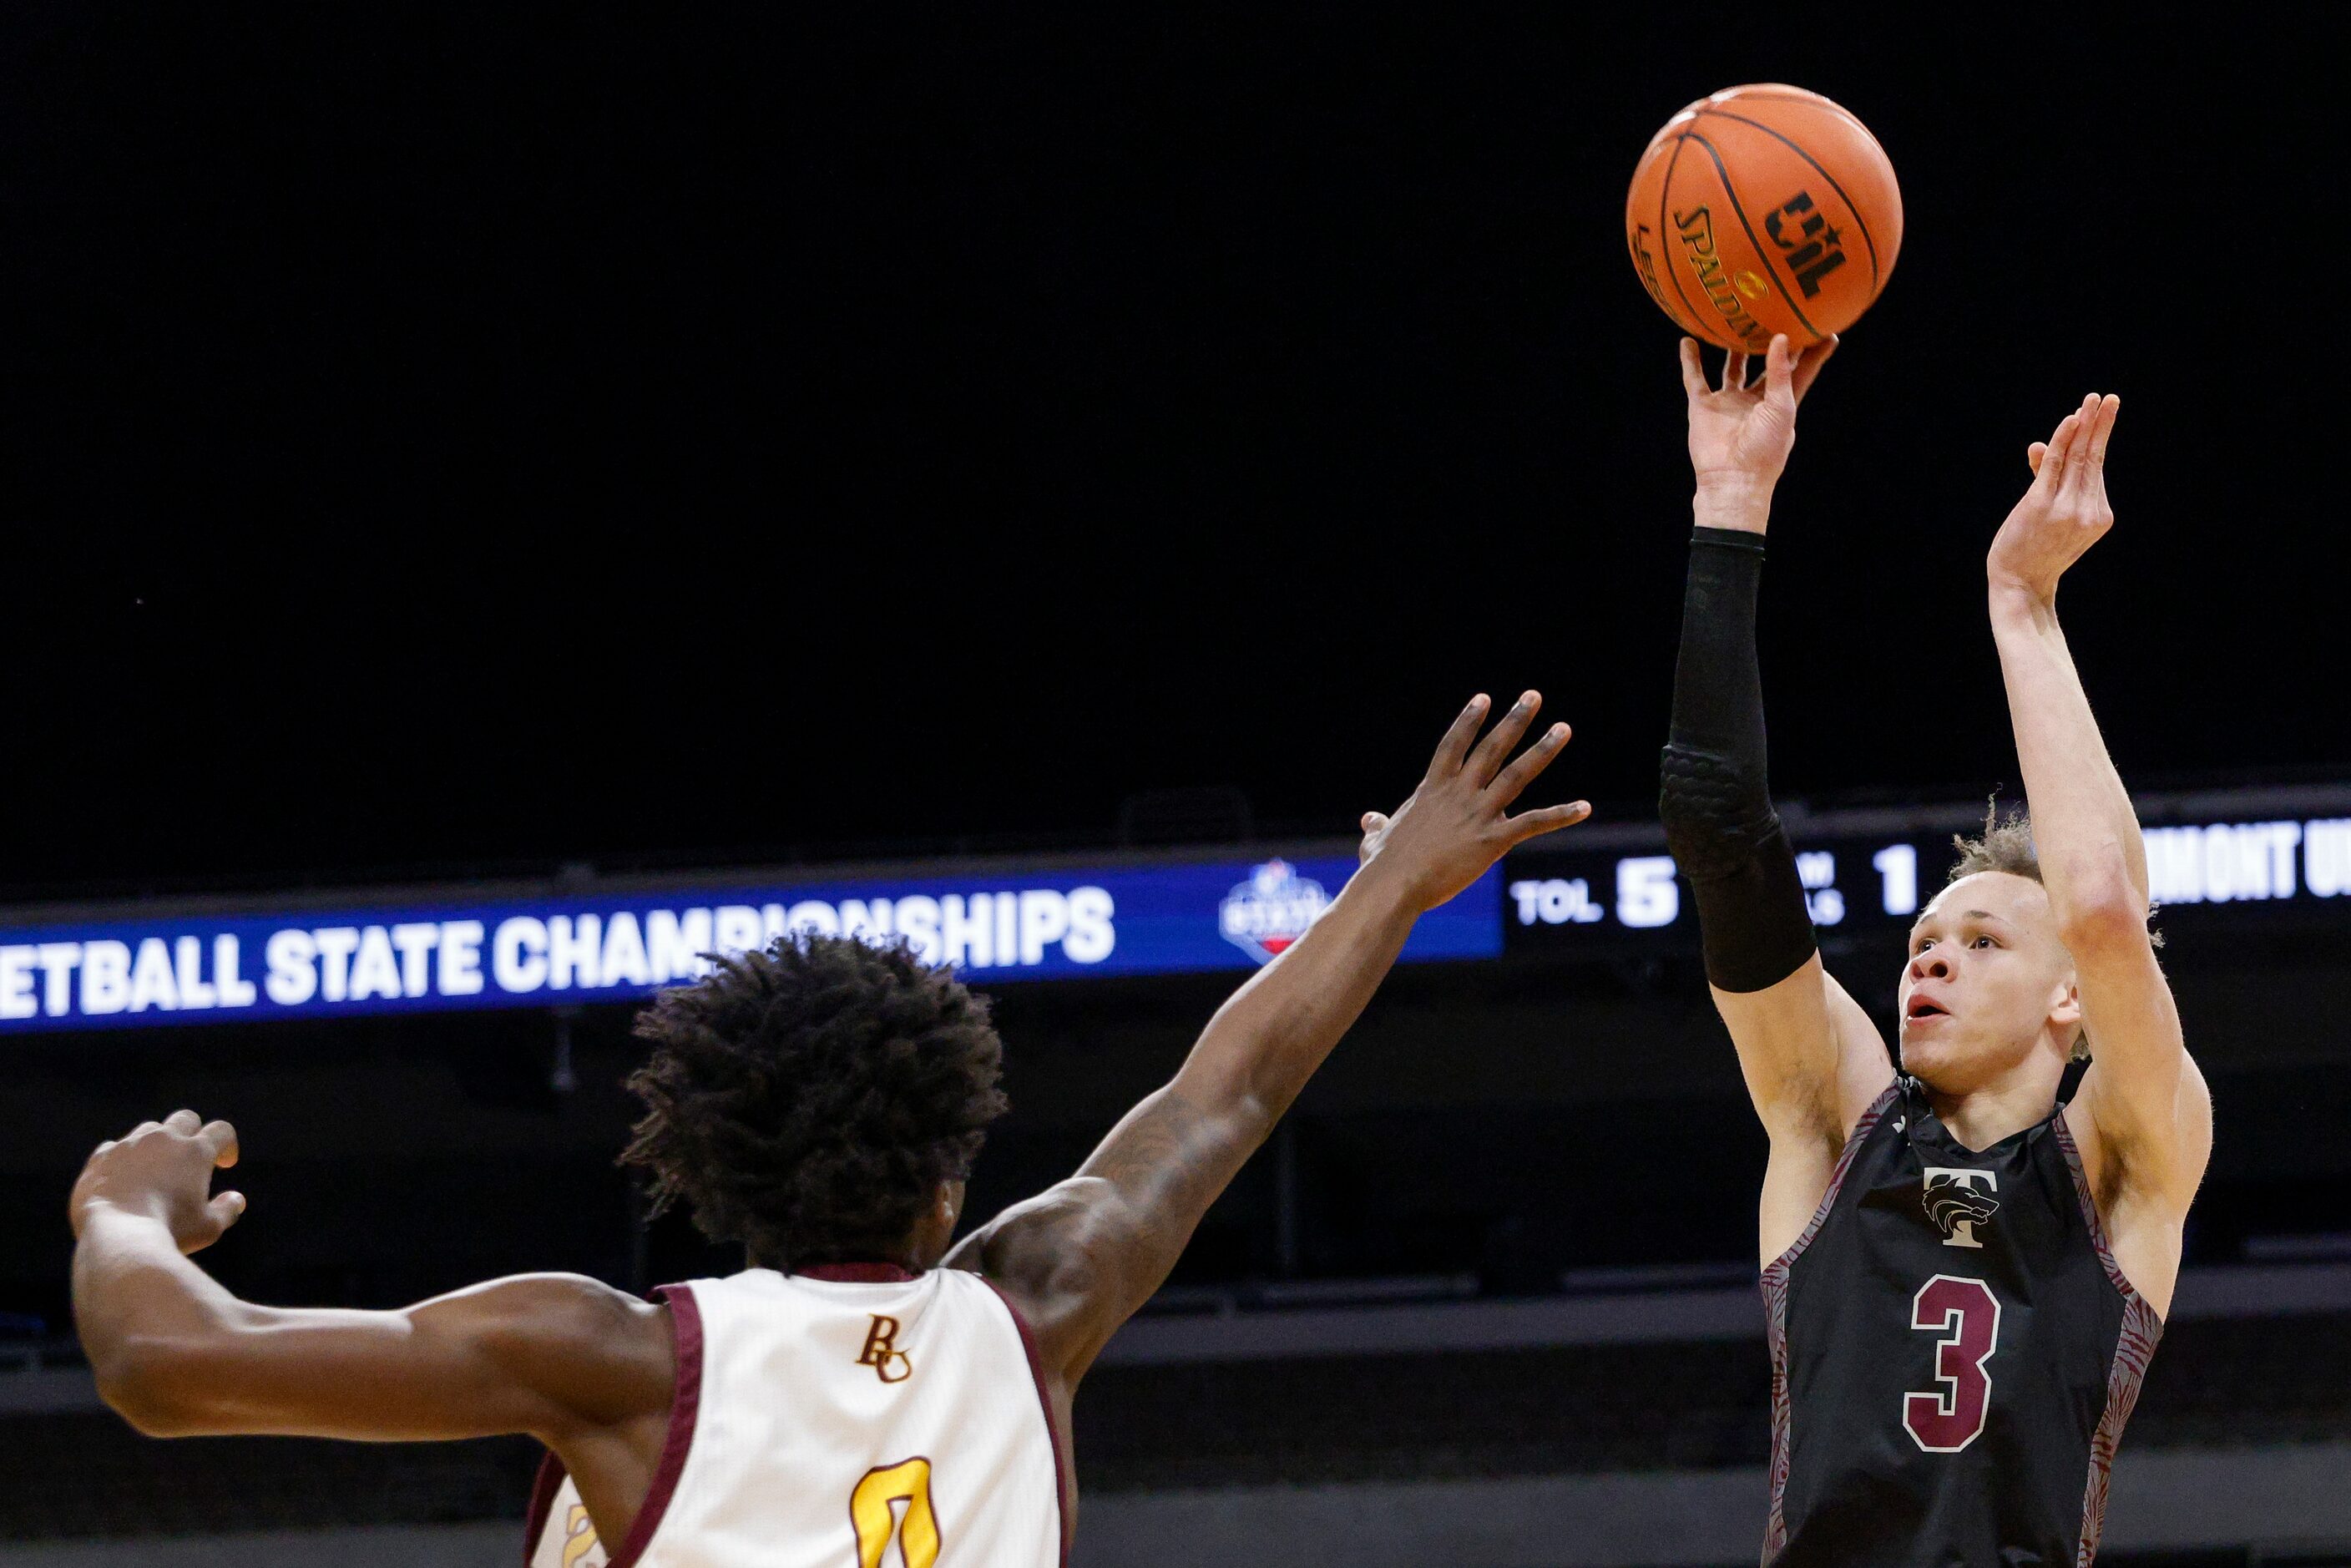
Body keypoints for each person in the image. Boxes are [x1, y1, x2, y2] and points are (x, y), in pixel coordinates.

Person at [69, 695, 1587, 1568]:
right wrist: (1390, 888)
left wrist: (126, 1210)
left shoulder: (609, 1357)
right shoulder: (1037, 1306)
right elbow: (1225, 1090)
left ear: (715, 1165)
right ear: (948, 1166)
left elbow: (164, 1366)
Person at [1656, 334, 2212, 1565]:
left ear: (2069, 993)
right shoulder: (1834, 1117)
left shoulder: (2125, 1158)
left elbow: (2109, 906)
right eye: (1920, 941)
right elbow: (1716, 824)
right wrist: (1729, 506)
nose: (1928, 960)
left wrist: (2024, 605)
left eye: (1978, 937)